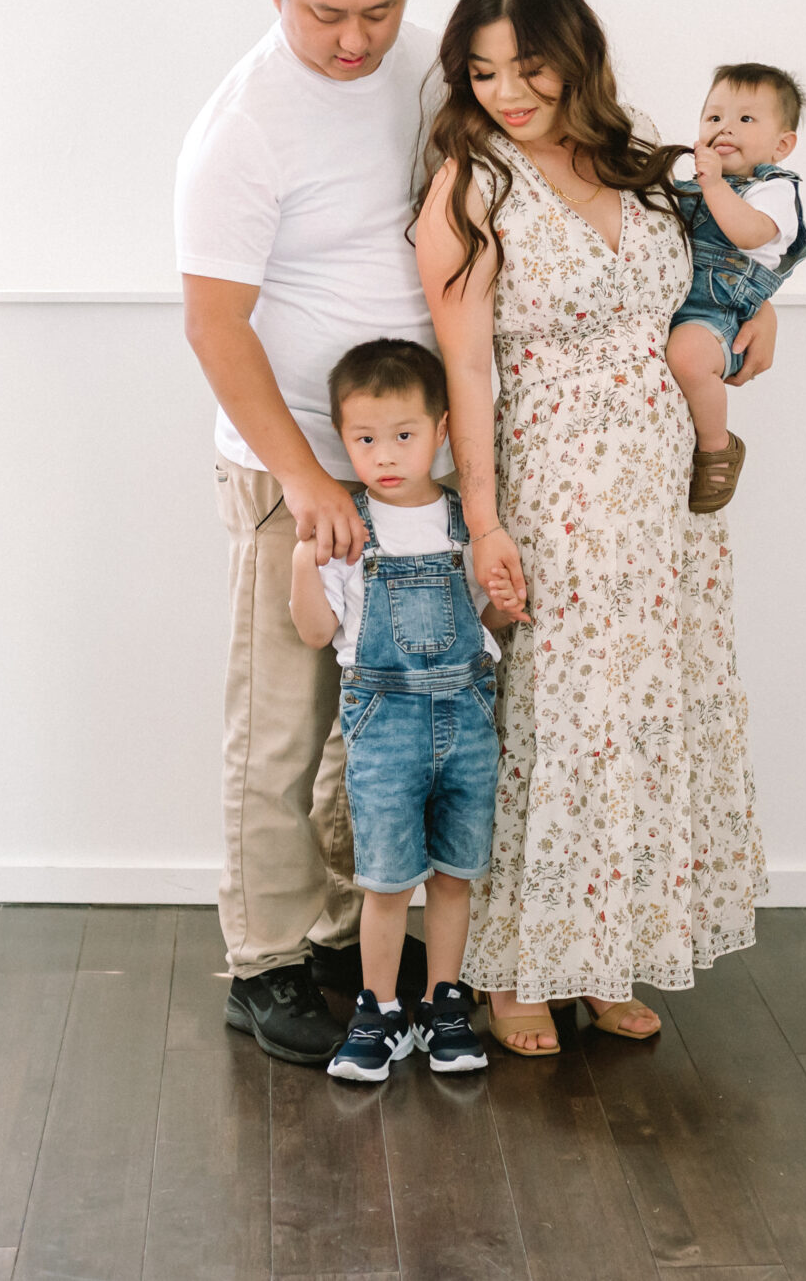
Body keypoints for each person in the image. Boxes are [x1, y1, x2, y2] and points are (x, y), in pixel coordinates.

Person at [414, 0, 771, 1057]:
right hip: (557, 482)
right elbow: (465, 368)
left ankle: (607, 949)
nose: (508, 94)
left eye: (528, 68)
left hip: (663, 494)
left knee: (644, 715)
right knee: (556, 722)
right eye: (481, 74)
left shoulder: (645, 165)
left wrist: (761, 317)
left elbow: (729, 270)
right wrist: (482, 518)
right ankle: (521, 965)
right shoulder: (470, 186)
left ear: (577, 59)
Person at [177, 0, 434, 1064]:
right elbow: (215, 326)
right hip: (294, 467)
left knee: (372, 725)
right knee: (282, 724)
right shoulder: (242, 123)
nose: (352, 39)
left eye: (375, 10)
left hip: (406, 470)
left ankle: (339, 926)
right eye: (326, 11)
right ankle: (266, 959)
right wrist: (306, 480)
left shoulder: (424, 66)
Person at [288, 340, 512, 1081]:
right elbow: (320, 634)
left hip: (468, 720)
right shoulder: (348, 527)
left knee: (454, 874)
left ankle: (443, 1001)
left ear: (442, 429)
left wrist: (510, 605)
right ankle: (378, 1008)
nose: (385, 454)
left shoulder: (464, 520)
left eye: (404, 435)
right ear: (342, 437)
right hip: (383, 729)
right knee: (386, 881)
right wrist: (303, 562)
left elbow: (488, 620)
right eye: (364, 438)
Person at [666, 64, 806, 513]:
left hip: (721, 315)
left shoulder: (772, 190)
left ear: (781, 145)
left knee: (689, 357)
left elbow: (748, 234)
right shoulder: (694, 186)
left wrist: (713, 186)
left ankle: (716, 447)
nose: (724, 128)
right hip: (676, 307)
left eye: (745, 119)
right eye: (713, 118)